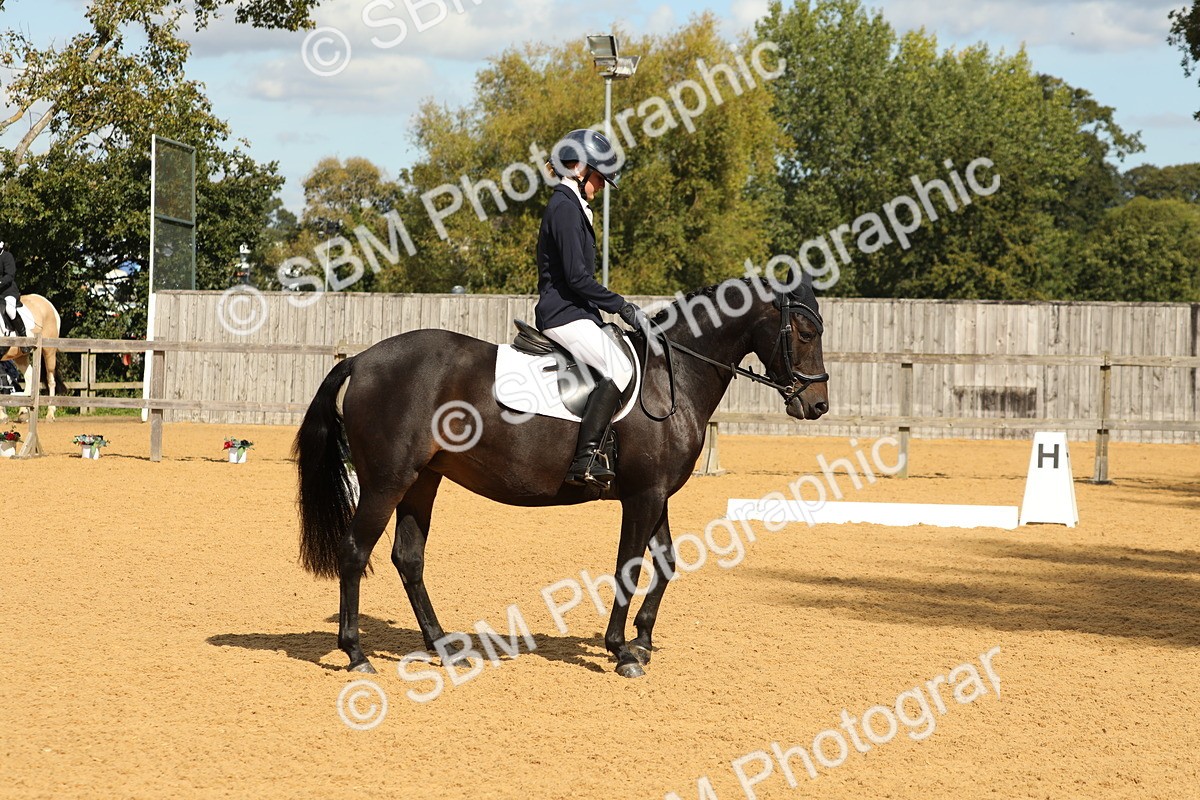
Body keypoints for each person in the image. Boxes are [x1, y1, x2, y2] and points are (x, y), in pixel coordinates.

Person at [535, 129, 649, 488]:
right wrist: (623, 307)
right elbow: (576, 278)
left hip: (577, 312)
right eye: (599, 178)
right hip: (562, 313)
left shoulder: (572, 207)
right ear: (581, 168)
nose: (600, 187)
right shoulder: (565, 208)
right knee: (618, 367)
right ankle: (585, 459)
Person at [0, 241, 32, 355]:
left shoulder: (7, 256)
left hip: (8, 291)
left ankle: (24, 340)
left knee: (10, 309)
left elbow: (10, 275)